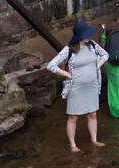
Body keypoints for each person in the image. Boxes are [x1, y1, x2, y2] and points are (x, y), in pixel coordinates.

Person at [45, 20, 109, 152]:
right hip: (76, 88)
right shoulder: (68, 50)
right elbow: (51, 65)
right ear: (79, 36)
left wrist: (96, 65)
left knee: (92, 114)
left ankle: (94, 140)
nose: (89, 36)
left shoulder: (92, 45)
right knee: (73, 117)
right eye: (86, 34)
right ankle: (73, 145)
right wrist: (67, 74)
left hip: (92, 85)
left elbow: (105, 55)